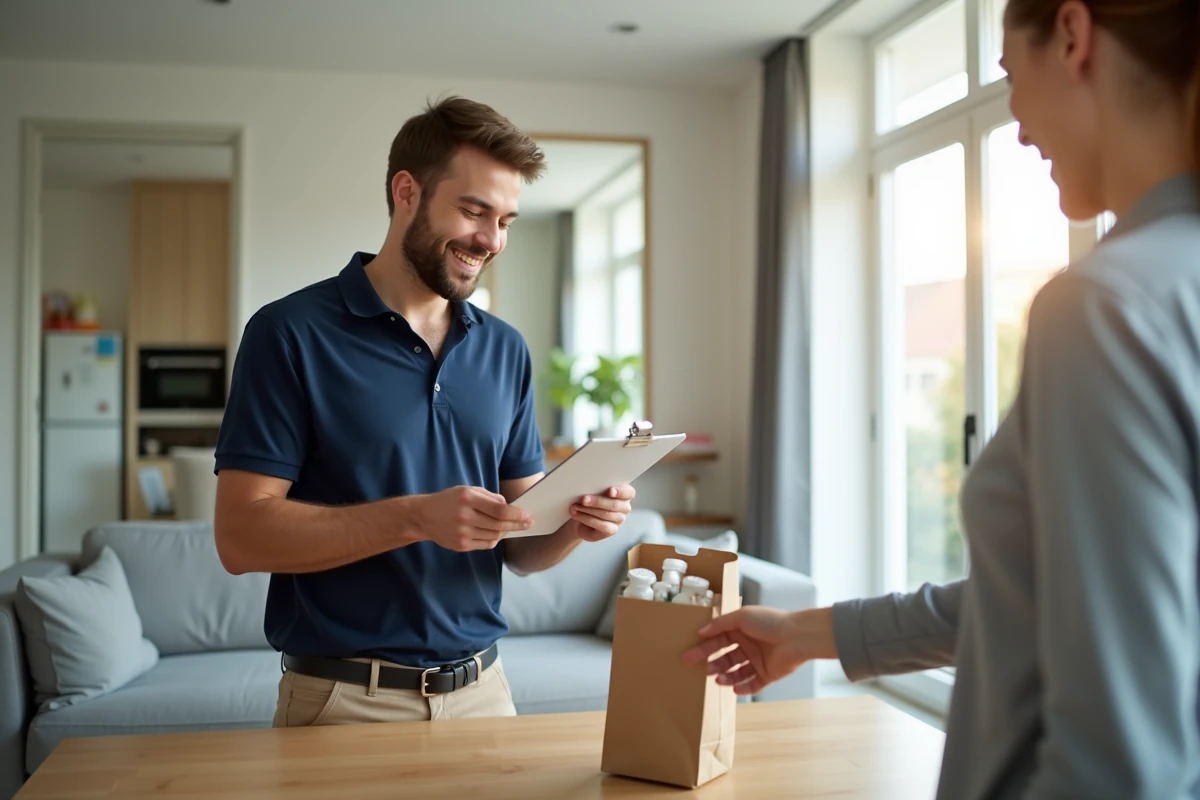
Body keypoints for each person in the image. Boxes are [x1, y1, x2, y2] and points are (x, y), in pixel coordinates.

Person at [686, 1, 1200, 797]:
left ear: (1072, 34)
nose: (1019, 123)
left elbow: (1118, 761)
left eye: (1007, 74)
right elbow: (1051, 605)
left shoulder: (1110, 308)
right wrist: (806, 633)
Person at [212, 96, 635, 727]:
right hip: (343, 701)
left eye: (507, 220)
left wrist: (576, 520)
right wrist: (415, 517)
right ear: (406, 191)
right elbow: (240, 537)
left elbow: (520, 547)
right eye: (473, 211)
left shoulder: (505, 349)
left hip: (485, 695)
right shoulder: (288, 333)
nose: (491, 240)